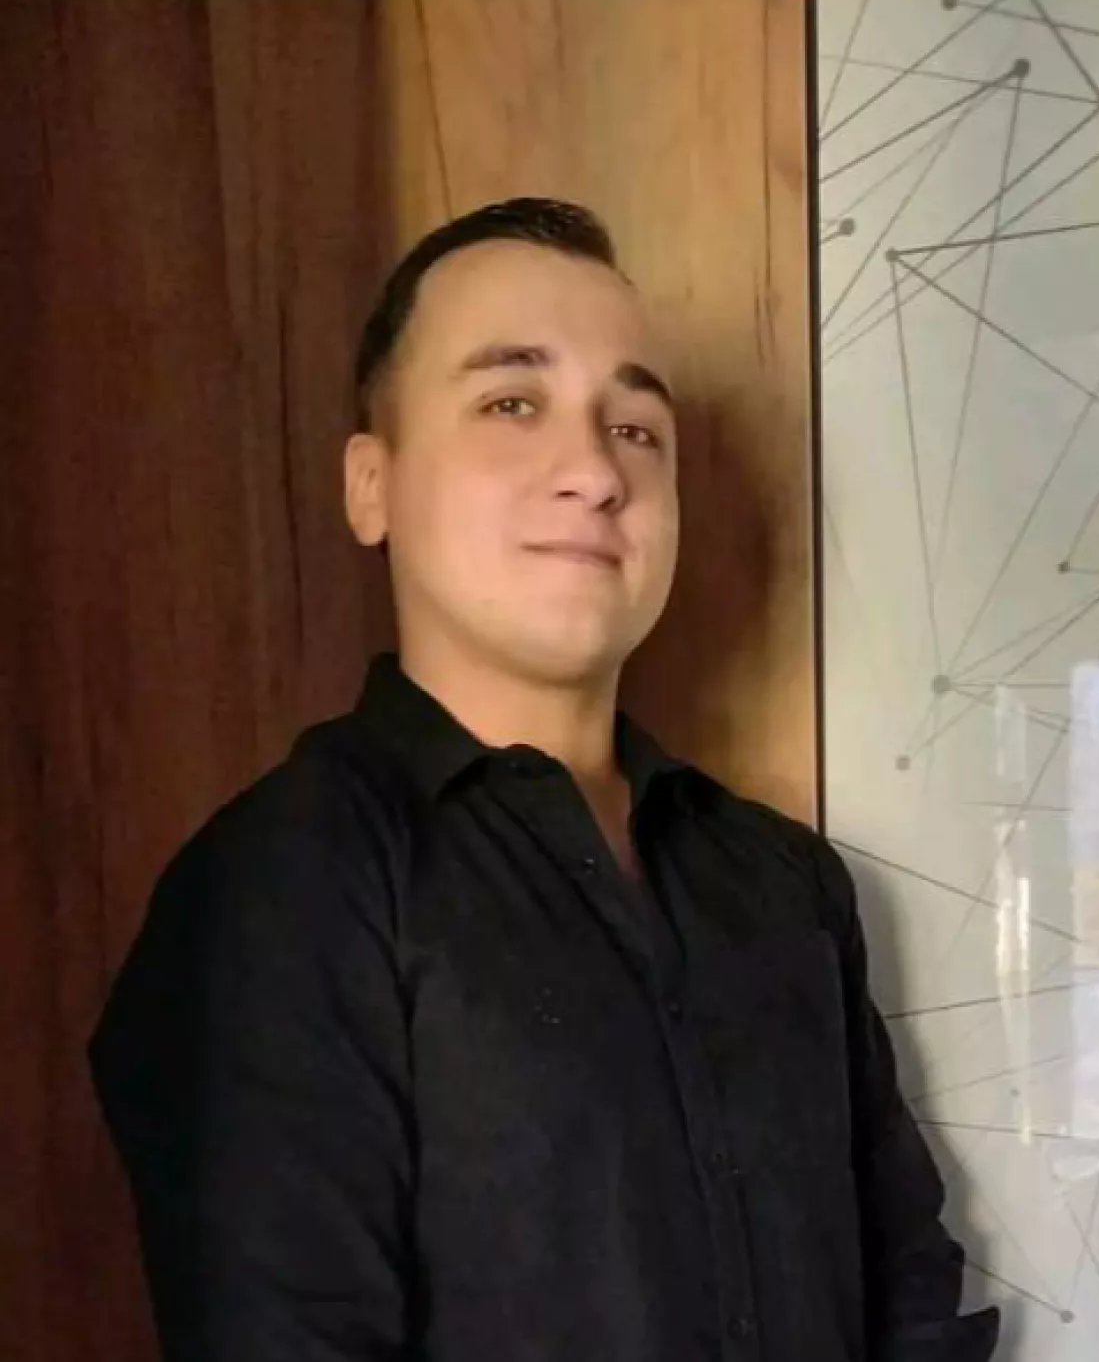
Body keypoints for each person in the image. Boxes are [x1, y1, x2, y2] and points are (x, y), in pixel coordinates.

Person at [90, 197, 998, 1362]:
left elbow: (910, 1291)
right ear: (371, 484)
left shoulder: (784, 883)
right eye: (510, 403)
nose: (592, 470)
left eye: (634, 428)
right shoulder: (282, 886)